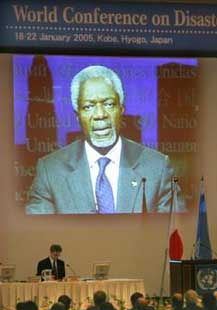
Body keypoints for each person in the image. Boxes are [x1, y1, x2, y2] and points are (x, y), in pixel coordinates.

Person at [26, 65, 185, 214]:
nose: (100, 114)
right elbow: (37, 234)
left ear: (121, 109)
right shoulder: (51, 171)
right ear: (77, 116)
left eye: (109, 104)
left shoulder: (157, 167)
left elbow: (175, 233)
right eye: (88, 106)